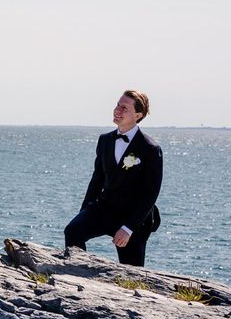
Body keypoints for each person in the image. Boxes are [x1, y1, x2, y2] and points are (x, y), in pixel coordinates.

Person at [64, 90, 163, 266]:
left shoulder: (150, 148)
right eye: (117, 105)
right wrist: (83, 213)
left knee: (132, 274)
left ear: (138, 115)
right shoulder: (105, 140)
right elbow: (97, 180)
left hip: (133, 218)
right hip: (104, 208)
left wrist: (128, 228)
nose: (117, 110)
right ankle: (77, 275)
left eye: (124, 108)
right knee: (73, 231)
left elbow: (151, 193)